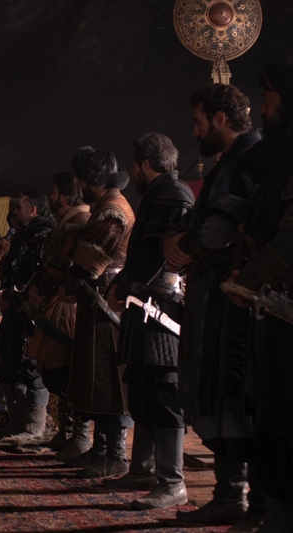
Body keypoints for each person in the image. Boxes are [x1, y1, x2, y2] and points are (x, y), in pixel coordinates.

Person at [162, 84, 264, 527]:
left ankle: (244, 500)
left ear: (221, 118)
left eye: (199, 121)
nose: (195, 131)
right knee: (217, 393)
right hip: (214, 296)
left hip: (236, 301)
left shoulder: (250, 158)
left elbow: (221, 227)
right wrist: (179, 240)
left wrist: (184, 245)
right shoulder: (230, 161)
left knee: (234, 395)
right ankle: (230, 495)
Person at [104, 133, 194, 510]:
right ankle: (142, 469)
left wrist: (126, 286)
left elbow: (161, 257)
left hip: (161, 310)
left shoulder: (172, 194)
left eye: (134, 164)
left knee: (161, 390)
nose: (133, 172)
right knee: (142, 386)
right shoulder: (158, 194)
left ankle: (172, 482)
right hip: (143, 306)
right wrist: (124, 287)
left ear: (145, 163)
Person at [225, 63, 293, 531]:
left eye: (269, 100)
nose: (263, 108)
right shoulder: (278, 151)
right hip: (273, 307)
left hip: (282, 302)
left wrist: (248, 280)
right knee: (270, 413)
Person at [56, 147, 135, 479]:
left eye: (81, 180)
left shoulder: (112, 211)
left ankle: (114, 455)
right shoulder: (107, 206)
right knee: (97, 378)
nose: (80, 186)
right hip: (97, 301)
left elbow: (91, 259)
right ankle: (101, 450)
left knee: (108, 379)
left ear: (89, 180)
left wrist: (69, 284)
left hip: (107, 303)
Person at [25, 172, 90, 454]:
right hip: (54, 300)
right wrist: (37, 285)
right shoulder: (67, 220)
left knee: (65, 370)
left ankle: (77, 435)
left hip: (66, 304)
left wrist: (42, 287)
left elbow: (64, 263)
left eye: (54, 193)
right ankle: (65, 431)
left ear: (64, 196)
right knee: (54, 371)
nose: (51, 197)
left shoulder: (80, 219)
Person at [0, 192, 55, 439]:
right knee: (11, 364)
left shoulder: (43, 231)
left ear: (33, 210)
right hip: (16, 308)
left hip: (32, 311)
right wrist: (5, 293)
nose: (15, 211)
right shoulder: (21, 234)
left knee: (31, 366)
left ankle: (33, 426)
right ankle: (17, 422)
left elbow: (35, 270)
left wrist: (14, 293)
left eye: (19, 207)